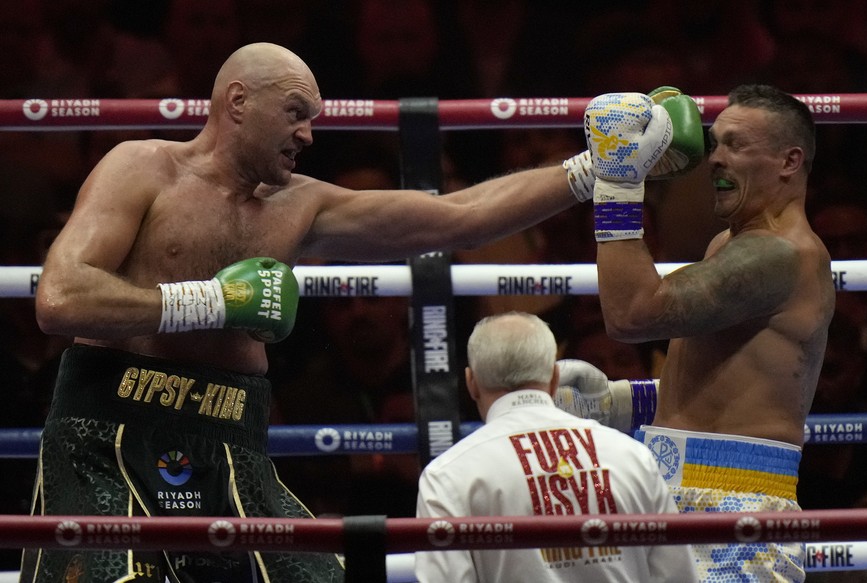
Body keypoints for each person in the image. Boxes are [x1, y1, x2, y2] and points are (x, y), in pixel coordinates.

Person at [30, 43, 699, 582]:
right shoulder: (142, 168)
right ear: (237, 101)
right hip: (107, 432)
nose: (308, 133)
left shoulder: (301, 204)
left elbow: (457, 217)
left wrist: (593, 169)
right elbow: (59, 298)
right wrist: (204, 300)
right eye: (295, 111)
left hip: (230, 441)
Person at [560, 85, 835, 582]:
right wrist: (622, 402)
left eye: (736, 145)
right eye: (714, 144)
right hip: (670, 485)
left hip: (737, 502)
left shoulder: (779, 254)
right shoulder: (730, 244)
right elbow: (728, 382)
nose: (715, 159)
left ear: (789, 161)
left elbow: (632, 314)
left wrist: (620, 184)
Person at [415, 312, 695, 582]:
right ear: (553, 379)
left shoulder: (448, 475)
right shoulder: (631, 456)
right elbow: (676, 575)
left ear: (471, 383)